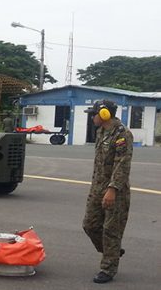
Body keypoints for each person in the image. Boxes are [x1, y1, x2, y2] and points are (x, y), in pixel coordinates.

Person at [81, 100, 133, 284]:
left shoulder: (122, 134)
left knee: (110, 230)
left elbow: (122, 164)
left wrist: (112, 190)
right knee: (90, 225)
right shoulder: (101, 131)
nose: (92, 117)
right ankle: (113, 252)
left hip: (114, 190)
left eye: (93, 114)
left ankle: (108, 268)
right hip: (97, 187)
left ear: (104, 114)